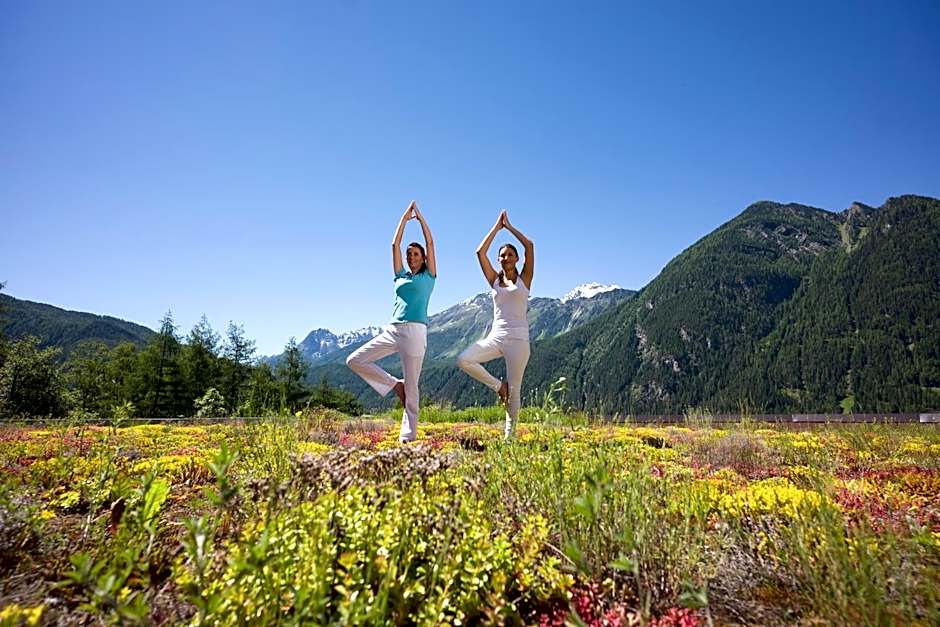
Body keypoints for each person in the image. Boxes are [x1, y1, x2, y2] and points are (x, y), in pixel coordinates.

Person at [346, 201, 436, 443]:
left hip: (415, 332)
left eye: (415, 254)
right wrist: (404, 219)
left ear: (423, 258)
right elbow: (394, 244)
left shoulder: (429, 276)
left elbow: (430, 242)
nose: (411, 256)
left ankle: (408, 436)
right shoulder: (400, 276)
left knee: (413, 386)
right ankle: (395, 385)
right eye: (409, 254)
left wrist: (421, 219)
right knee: (354, 360)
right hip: (393, 329)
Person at [456, 210, 534, 438]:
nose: (506, 258)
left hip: (519, 340)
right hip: (497, 336)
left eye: (510, 254)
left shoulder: (525, 279)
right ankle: (499, 387)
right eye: (502, 255)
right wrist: (496, 228)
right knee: (464, 359)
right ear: (498, 260)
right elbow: (480, 252)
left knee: (515, 391)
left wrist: (509, 227)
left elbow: (529, 246)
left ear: (516, 259)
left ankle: (509, 438)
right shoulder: (494, 280)